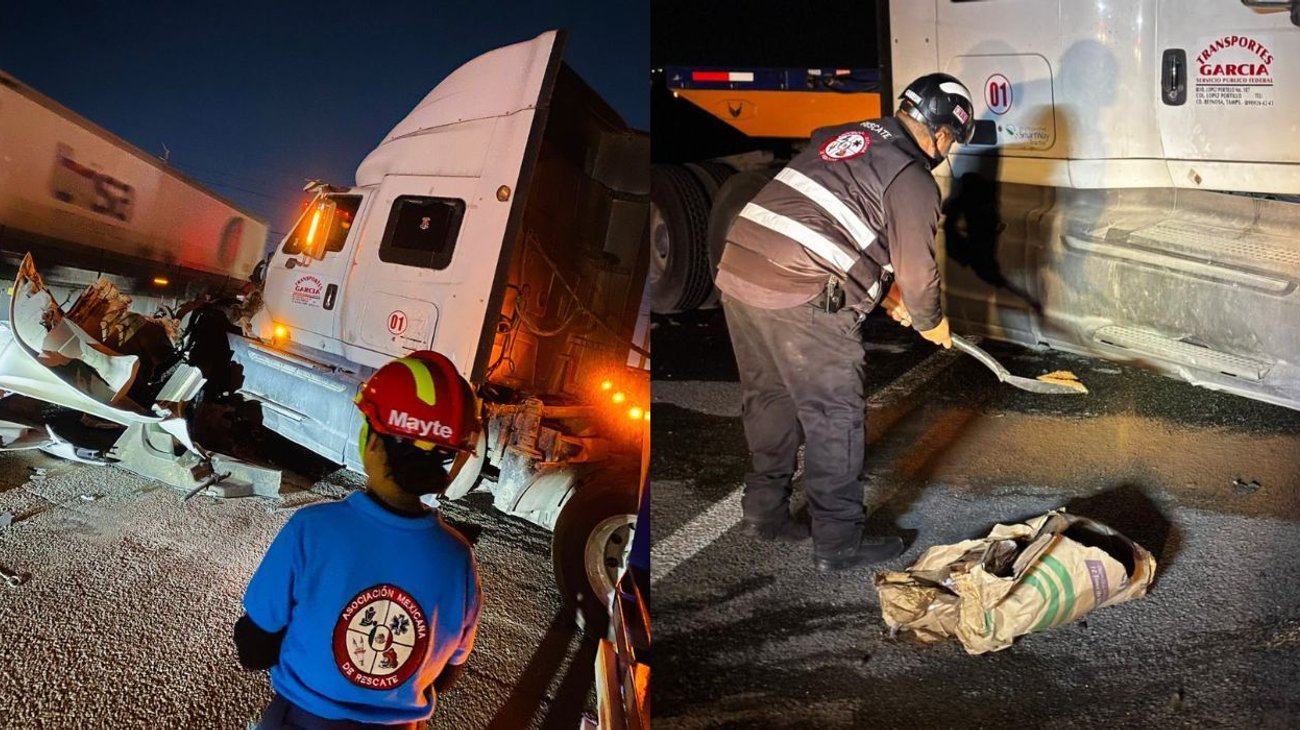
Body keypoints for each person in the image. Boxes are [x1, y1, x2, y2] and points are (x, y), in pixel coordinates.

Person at [714, 73, 976, 573]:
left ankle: (764, 512)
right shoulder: (912, 178)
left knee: (770, 396)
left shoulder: (844, 135)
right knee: (834, 414)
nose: (948, 151)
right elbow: (919, 273)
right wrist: (930, 320)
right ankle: (837, 542)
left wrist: (887, 295)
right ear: (942, 132)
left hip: (740, 268)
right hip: (800, 291)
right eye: (951, 141)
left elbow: (838, 226)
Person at [235, 350, 483, 728]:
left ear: (373, 442)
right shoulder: (458, 559)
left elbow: (254, 648)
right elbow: (447, 676)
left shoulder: (311, 530)